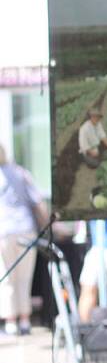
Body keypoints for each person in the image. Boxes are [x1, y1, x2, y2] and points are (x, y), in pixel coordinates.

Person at [0, 143, 49, 336]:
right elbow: (38, 203)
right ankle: (25, 320)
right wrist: (47, 226)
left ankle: (10, 320)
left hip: (4, 231)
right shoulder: (21, 173)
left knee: (7, 276)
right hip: (25, 230)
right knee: (24, 276)